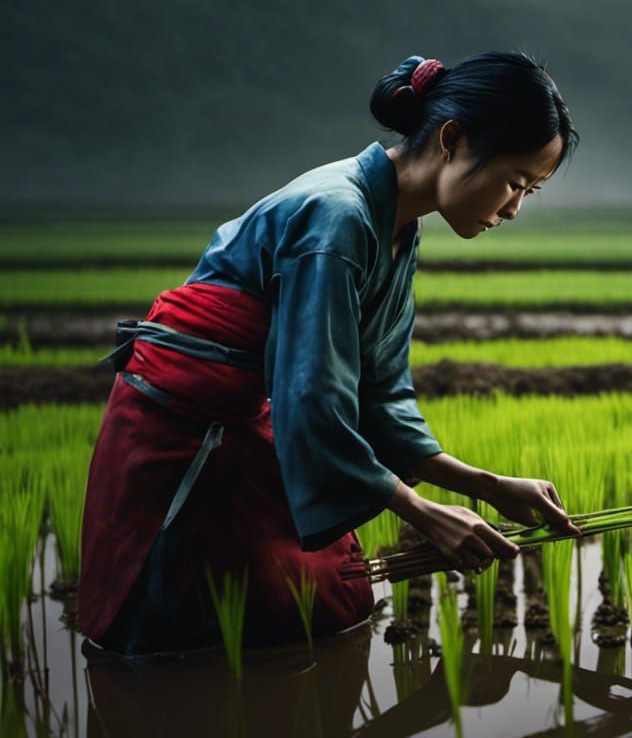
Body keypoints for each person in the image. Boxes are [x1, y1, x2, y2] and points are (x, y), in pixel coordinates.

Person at [78, 52, 581, 654]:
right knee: (187, 631)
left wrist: (487, 485)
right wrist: (425, 512)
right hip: (188, 440)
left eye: (530, 190)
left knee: (316, 613)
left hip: (247, 423)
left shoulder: (398, 224)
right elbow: (314, 399)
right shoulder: (337, 217)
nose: (514, 208)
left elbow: (380, 392)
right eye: (514, 181)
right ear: (452, 140)